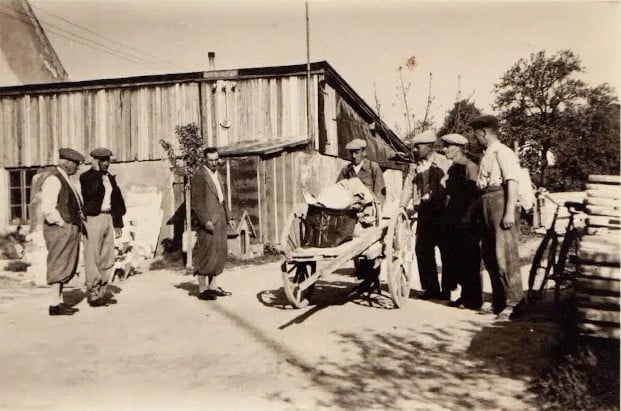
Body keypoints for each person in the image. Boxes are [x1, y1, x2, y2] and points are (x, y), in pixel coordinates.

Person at [470, 114, 524, 319]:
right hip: (486, 201)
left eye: (477, 134)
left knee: (505, 253)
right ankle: (499, 300)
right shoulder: (487, 154)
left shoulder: (503, 152)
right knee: (490, 254)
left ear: (483, 133)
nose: (476, 139)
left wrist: (509, 211)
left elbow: (512, 182)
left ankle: (514, 302)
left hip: (500, 202)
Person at [399, 130, 452, 300]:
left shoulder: (444, 162)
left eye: (418, 146)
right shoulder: (414, 166)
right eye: (414, 147)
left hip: (442, 213)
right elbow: (408, 186)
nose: (415, 150)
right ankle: (431, 289)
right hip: (424, 213)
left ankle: (447, 290)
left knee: (446, 251)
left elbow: (448, 188)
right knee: (422, 250)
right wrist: (401, 208)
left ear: (429, 147)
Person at [336, 138, 386, 292]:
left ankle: (373, 279)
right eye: (351, 153)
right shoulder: (346, 170)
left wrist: (377, 212)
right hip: (352, 212)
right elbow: (339, 188)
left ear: (364, 152)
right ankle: (365, 279)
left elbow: (380, 191)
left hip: (369, 212)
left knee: (371, 247)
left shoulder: (373, 167)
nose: (353, 156)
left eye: (357, 152)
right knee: (355, 247)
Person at [41, 148, 85, 316]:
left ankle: (59, 301)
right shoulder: (53, 179)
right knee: (58, 263)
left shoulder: (64, 178)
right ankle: (54, 304)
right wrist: (61, 223)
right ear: (66, 163)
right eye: (76, 164)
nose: (77, 167)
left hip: (67, 227)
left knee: (66, 264)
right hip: (60, 228)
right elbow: (48, 208)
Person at [80, 148, 126, 307]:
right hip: (93, 219)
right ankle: (93, 293)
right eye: (102, 160)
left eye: (108, 160)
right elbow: (91, 193)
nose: (106, 163)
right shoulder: (86, 177)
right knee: (93, 257)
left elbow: (116, 201)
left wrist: (118, 222)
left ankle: (102, 291)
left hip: (107, 217)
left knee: (108, 256)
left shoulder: (110, 178)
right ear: (94, 161)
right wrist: (98, 173)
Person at [441, 134, 482, 310]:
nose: (444, 150)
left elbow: (474, 196)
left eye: (447, 146)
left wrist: (467, 216)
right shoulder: (453, 168)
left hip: (468, 219)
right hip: (456, 218)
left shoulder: (470, 167)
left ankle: (474, 299)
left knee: (470, 259)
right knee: (459, 257)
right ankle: (466, 296)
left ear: (457, 148)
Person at [190, 147, 234, 300]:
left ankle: (213, 286)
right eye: (211, 160)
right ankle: (202, 290)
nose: (214, 163)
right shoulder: (199, 175)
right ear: (205, 160)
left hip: (220, 219)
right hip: (209, 221)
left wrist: (230, 217)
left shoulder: (218, 175)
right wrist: (205, 220)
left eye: (216, 160)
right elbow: (197, 202)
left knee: (220, 252)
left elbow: (223, 198)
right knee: (206, 253)